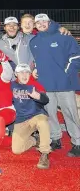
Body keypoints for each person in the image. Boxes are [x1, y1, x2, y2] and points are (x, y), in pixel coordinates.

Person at [29, 14, 80, 156]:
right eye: (38, 23)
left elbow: (76, 57)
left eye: (44, 21)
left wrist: (66, 73)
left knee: (70, 114)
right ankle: (56, 138)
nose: (41, 24)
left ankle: (77, 142)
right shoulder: (34, 41)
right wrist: (35, 70)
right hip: (46, 84)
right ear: (35, 25)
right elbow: (37, 61)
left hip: (65, 84)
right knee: (50, 113)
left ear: (49, 22)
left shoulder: (64, 36)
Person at [11, 64, 51, 169]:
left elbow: (45, 99)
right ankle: (34, 139)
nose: (24, 75)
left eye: (27, 72)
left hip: (35, 116)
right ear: (16, 74)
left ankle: (45, 153)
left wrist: (38, 96)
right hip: (21, 119)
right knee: (17, 150)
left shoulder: (35, 85)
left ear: (30, 74)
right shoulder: (11, 85)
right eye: (21, 72)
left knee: (43, 121)